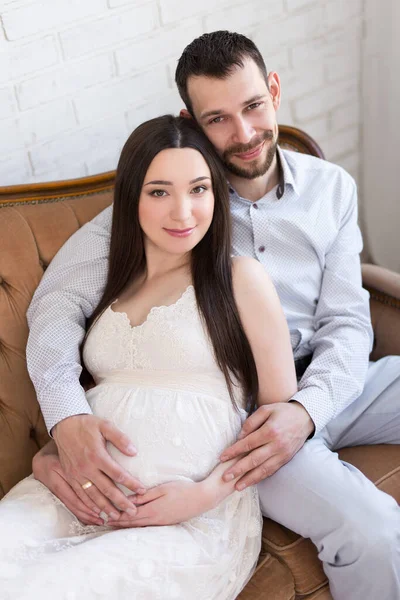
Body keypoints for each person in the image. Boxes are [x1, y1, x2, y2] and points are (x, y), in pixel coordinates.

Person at [28, 31, 400, 600]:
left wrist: (307, 408)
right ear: (192, 120)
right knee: (373, 532)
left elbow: (348, 323)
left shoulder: (331, 190)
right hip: (243, 423)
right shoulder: (175, 200)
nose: (245, 134)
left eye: (253, 106)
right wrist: (64, 416)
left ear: (273, 91)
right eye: (218, 118)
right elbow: (56, 307)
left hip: (333, 383)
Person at [0, 115, 298, 599]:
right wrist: (44, 462)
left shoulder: (240, 279)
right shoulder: (110, 281)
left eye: (199, 189)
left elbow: (276, 425)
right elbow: (100, 404)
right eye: (160, 192)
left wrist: (204, 495)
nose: (183, 212)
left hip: (184, 518)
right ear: (131, 198)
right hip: (66, 496)